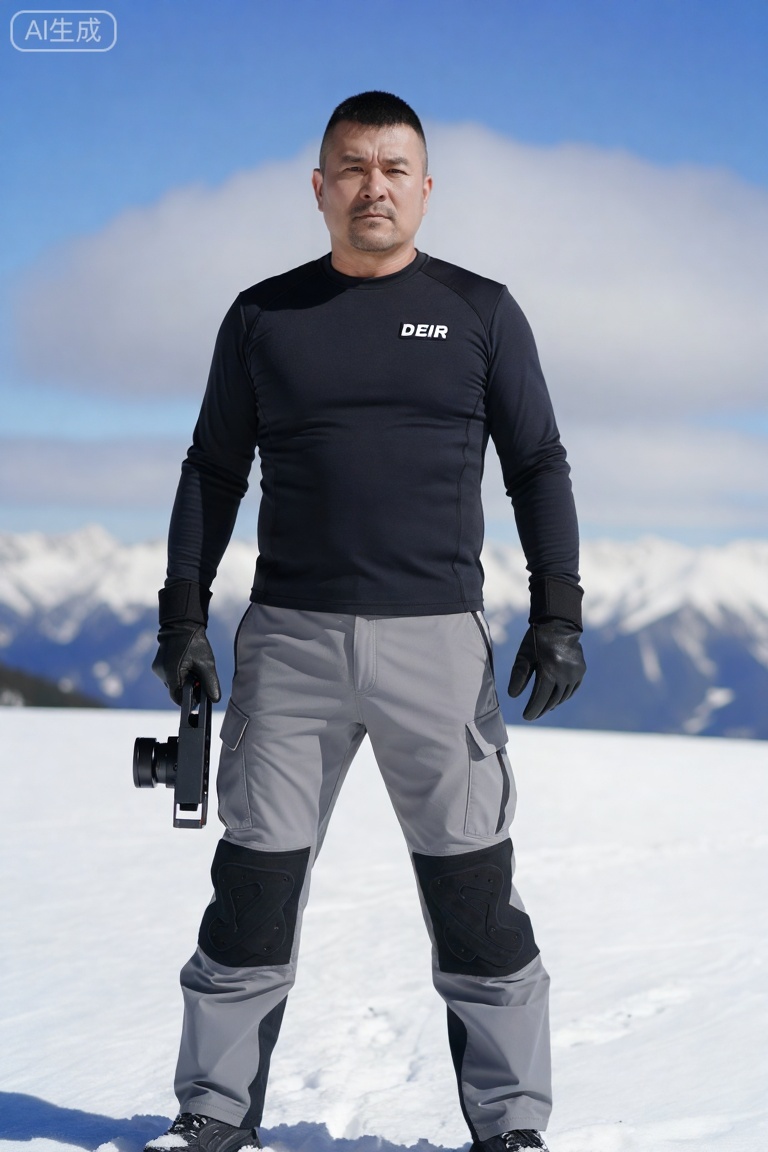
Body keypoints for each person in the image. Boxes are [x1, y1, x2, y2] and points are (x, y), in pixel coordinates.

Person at [146, 91, 585, 1152]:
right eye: (352, 167)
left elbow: (537, 465)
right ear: (320, 187)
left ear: (425, 188)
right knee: (252, 889)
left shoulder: (481, 311)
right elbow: (212, 469)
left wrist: (558, 613)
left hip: (439, 647)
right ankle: (212, 1115)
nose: (372, 185)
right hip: (290, 646)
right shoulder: (264, 317)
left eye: (394, 168)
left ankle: (511, 1127)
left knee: (477, 899)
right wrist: (183, 619)